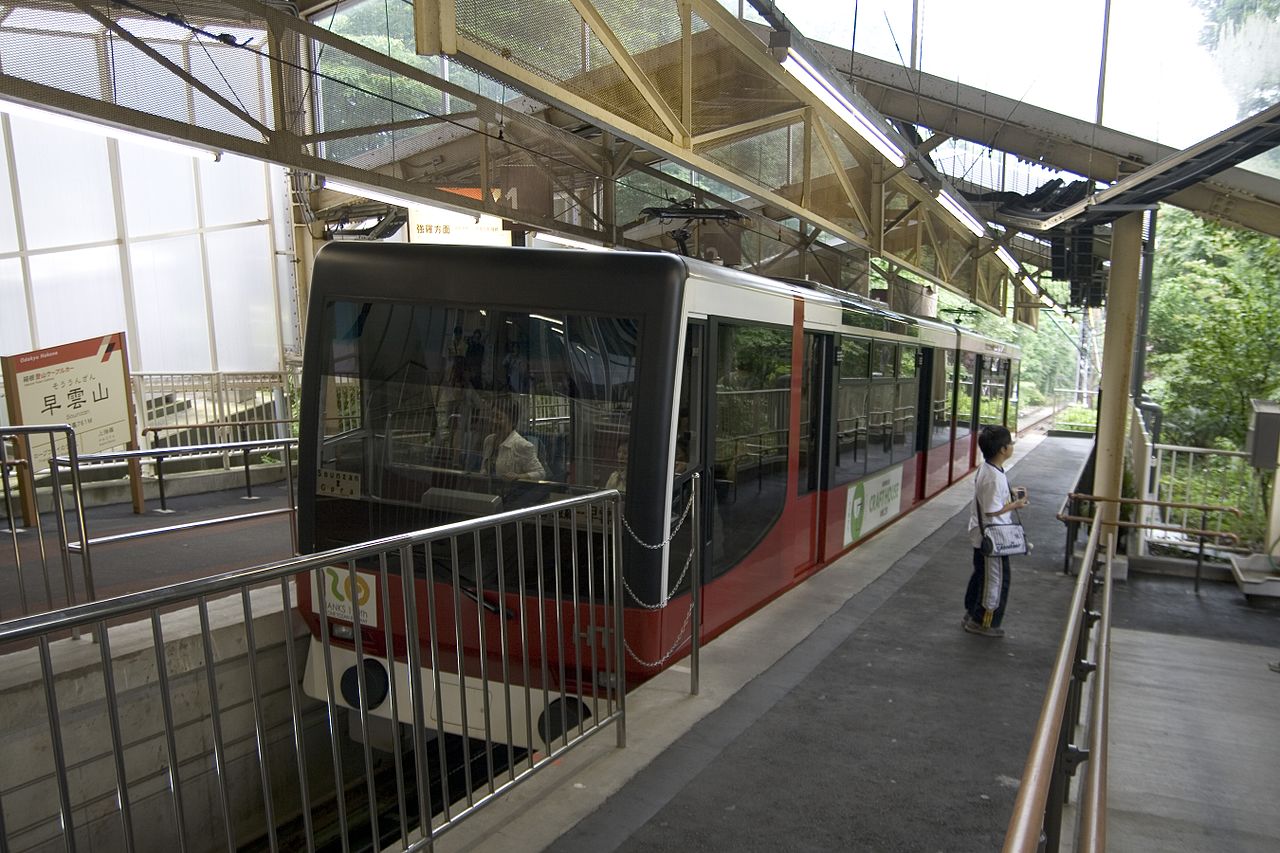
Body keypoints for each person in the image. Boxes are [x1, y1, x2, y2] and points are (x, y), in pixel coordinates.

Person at [963, 424, 1029, 638]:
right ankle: (983, 620)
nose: (1012, 446)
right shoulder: (993, 477)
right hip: (994, 538)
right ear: (1002, 449)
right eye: (1010, 443)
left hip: (984, 534)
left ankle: (971, 612)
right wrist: (1015, 505)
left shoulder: (989, 469)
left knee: (982, 575)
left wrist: (1010, 494)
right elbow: (992, 511)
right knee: (996, 579)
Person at [482, 402, 546, 481]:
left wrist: (518, 476)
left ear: (513, 422)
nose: (494, 421)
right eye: (492, 416)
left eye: (499, 418)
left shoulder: (522, 445)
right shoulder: (489, 440)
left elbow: (540, 473)